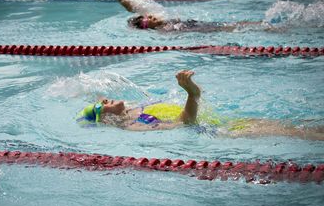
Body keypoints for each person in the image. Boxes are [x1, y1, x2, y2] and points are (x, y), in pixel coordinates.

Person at [77, 70, 324, 141]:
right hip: (217, 133)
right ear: (105, 119)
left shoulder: (138, 108)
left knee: (298, 127)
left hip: (223, 121)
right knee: (295, 133)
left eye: (103, 100)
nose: (105, 101)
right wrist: (192, 94)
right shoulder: (135, 125)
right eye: (100, 106)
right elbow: (186, 122)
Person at [115, 0, 262, 32]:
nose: (151, 18)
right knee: (232, 28)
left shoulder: (160, 18)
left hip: (195, 23)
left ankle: (261, 26)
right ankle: (264, 28)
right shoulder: (163, 31)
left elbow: (136, 8)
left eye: (148, 17)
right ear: (147, 27)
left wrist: (123, 1)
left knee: (234, 26)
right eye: (148, 21)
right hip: (200, 30)